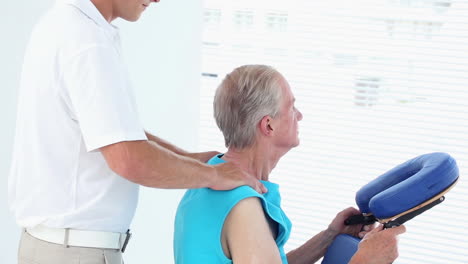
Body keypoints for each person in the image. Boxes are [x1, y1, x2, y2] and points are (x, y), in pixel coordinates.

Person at [8, 1, 266, 263]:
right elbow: (127, 158)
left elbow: (112, 131)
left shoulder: (62, 22)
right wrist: (213, 175)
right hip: (75, 253)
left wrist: (189, 158)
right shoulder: (87, 42)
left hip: (54, 247)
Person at [173, 64, 406, 263]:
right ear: (268, 125)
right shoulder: (243, 207)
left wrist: (329, 236)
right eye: (291, 107)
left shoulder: (210, 175)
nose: (300, 115)